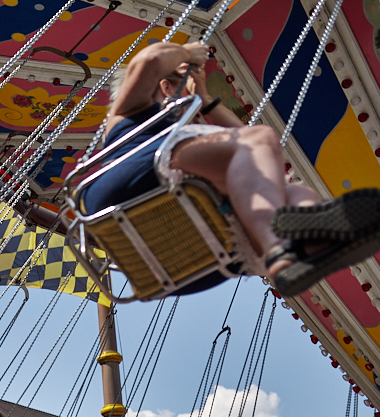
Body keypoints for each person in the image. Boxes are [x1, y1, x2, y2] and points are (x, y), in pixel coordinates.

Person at [80, 41, 380, 297]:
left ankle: (303, 248)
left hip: (189, 261)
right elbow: (149, 60)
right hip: (125, 187)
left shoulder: (188, 142)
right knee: (257, 141)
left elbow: (259, 159)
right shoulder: (129, 113)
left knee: (293, 190)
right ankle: (281, 248)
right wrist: (187, 52)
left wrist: (206, 102)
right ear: (167, 85)